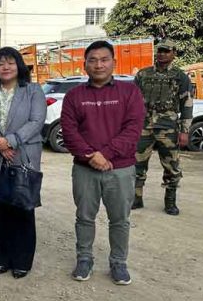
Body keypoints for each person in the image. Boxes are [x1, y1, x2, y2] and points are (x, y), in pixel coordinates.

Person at [60, 40, 145, 285]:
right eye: (93, 60)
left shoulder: (129, 92)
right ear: (85, 64)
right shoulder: (75, 95)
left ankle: (119, 263)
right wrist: (91, 156)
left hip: (120, 169)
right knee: (84, 217)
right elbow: (69, 132)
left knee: (120, 219)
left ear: (113, 63)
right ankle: (84, 259)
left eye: (104, 59)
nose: (99, 64)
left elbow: (133, 129)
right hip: (85, 169)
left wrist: (105, 154)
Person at [0, 47, 46, 279]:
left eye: (10, 63)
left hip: (24, 154)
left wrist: (9, 142)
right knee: (3, 208)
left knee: (23, 208)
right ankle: (3, 259)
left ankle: (22, 261)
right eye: (0, 64)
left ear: (18, 66)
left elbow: (37, 120)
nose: (5, 67)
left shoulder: (32, 90)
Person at [132, 39, 193, 215]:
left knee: (171, 165)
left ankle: (170, 202)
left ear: (174, 54)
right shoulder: (143, 75)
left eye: (166, 51)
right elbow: (133, 101)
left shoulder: (180, 76)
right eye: (160, 50)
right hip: (144, 126)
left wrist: (185, 131)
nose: (162, 54)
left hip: (168, 128)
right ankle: (136, 198)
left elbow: (187, 104)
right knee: (137, 163)